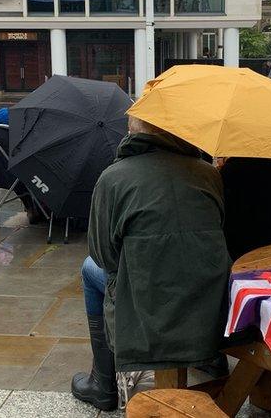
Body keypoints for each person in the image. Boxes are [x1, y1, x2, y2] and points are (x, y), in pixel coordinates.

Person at [72, 116, 230, 411]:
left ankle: (102, 382)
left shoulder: (113, 178)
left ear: (134, 130)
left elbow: (103, 255)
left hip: (148, 317)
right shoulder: (208, 173)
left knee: (88, 269)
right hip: (212, 309)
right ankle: (213, 362)